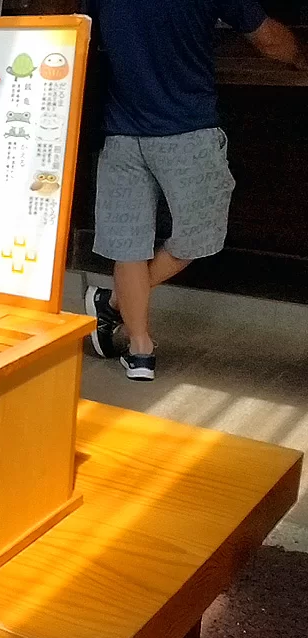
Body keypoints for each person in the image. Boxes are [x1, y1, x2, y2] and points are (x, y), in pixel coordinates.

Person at [81, 0, 307, 381]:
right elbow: (269, 39)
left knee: (139, 242)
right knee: (162, 240)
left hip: (131, 128)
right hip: (171, 130)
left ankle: (115, 301)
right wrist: (300, 58)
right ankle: (140, 346)